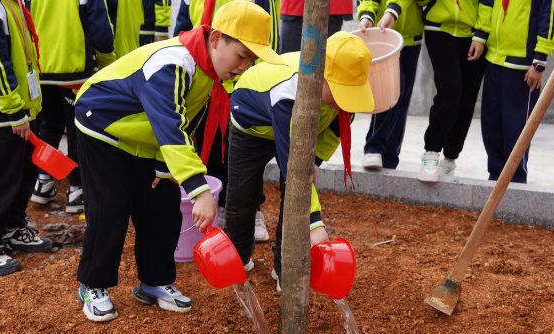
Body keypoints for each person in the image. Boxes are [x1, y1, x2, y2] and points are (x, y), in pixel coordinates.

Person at [73, 0, 285, 322]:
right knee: (110, 206)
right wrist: (199, 189)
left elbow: (185, 125)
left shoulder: (209, 72)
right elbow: (171, 126)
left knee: (161, 206)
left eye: (251, 60)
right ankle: (93, 284)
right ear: (216, 39)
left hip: (145, 135)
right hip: (103, 127)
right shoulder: (173, 63)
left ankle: (154, 281)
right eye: (242, 56)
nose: (244, 67)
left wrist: (164, 169)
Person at [227, 32, 374, 289]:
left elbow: (335, 130)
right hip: (252, 126)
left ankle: (285, 265)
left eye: (350, 92)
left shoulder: (342, 100)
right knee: (242, 194)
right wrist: (315, 222)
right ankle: (239, 255)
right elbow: (293, 165)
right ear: (320, 77)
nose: (345, 100)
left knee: (293, 199)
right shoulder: (288, 95)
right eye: (340, 91)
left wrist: (314, 161)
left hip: (297, 134)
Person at [174, 0, 280, 243]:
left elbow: (267, 43)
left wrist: (255, 78)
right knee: (209, 148)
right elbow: (184, 25)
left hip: (244, 90)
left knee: (242, 156)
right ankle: (218, 205)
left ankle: (252, 210)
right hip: (205, 79)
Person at [0, 0, 52, 276]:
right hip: (4, 110)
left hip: (23, 106)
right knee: (2, 177)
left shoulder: (11, 2)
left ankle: (13, 227)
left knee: (25, 171)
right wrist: (13, 110)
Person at [29, 0, 115, 213]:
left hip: (41, 68)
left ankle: (43, 181)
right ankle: (76, 189)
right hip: (75, 70)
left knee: (49, 126)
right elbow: (101, 31)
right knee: (77, 130)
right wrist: (108, 64)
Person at [389, 0, 491, 182]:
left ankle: (450, 158)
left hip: (474, 34)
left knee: (467, 99)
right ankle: (431, 152)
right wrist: (393, 11)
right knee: (450, 89)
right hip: (439, 29)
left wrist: (481, 34)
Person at [480, 0, 554, 183]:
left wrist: (539, 61)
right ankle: (495, 178)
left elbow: (550, 16)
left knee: (516, 128)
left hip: (523, 65)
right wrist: (480, 36)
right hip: (494, 57)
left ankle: (515, 181)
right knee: (491, 123)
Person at [358, 0, 423, 170]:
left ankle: (390, 157)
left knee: (402, 99)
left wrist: (393, 11)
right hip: (382, 35)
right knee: (386, 92)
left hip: (410, 37)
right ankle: (373, 148)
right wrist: (367, 14)